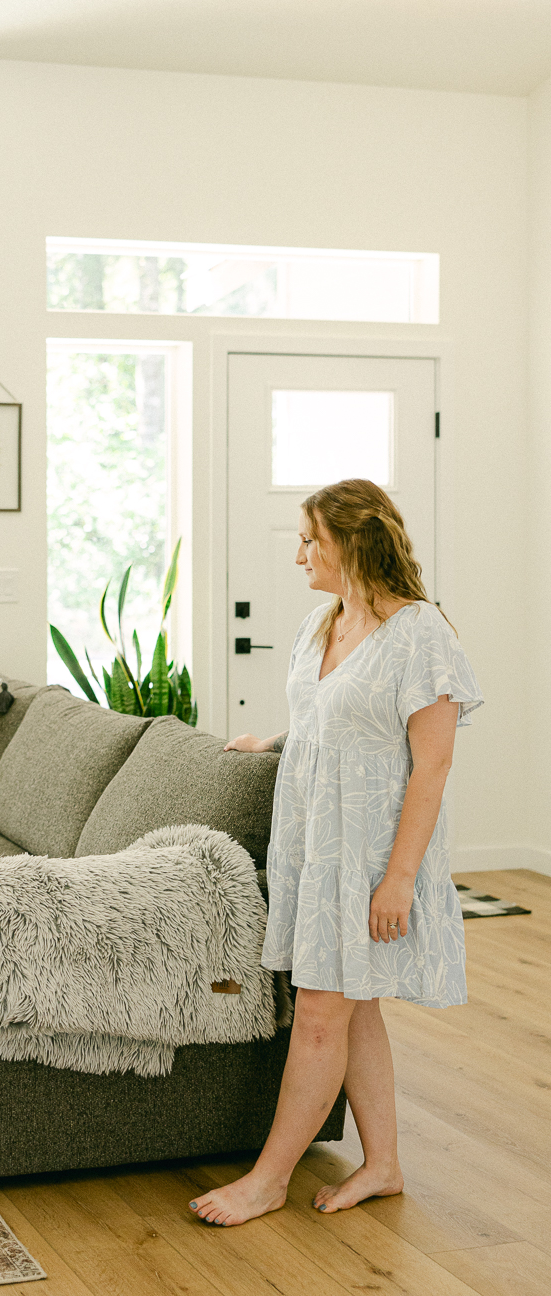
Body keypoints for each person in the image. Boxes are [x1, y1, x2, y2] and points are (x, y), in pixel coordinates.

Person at [190, 478, 482, 1227]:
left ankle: (267, 1179)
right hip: (311, 844)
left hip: (369, 855)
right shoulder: (322, 623)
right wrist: (270, 742)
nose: (297, 556)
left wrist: (398, 880)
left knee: (322, 1010)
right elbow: (331, 723)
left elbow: (432, 764)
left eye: (307, 540)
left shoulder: (420, 634)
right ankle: (382, 1164)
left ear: (349, 542)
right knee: (350, 1008)